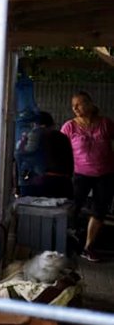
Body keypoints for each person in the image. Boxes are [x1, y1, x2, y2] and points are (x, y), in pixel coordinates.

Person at [61, 91, 114, 262]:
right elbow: (60, 149)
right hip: (80, 174)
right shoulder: (69, 127)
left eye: (79, 104)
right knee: (73, 207)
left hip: (105, 174)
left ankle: (88, 247)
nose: (75, 108)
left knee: (99, 210)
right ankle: (67, 241)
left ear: (90, 104)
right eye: (73, 105)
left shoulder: (105, 123)